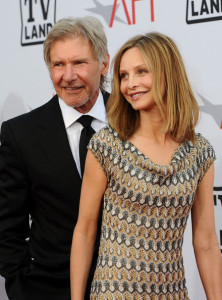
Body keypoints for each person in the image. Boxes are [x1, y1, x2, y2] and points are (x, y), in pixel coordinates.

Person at [70, 32, 222, 299]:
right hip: (113, 292)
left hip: (172, 292)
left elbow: (207, 241)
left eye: (142, 71)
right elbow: (84, 229)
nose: (131, 84)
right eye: (124, 76)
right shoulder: (107, 145)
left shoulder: (199, 152)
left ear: (168, 73)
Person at [0, 16, 110, 300]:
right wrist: (21, 284)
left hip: (128, 287)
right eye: (58, 64)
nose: (68, 75)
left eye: (79, 63)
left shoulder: (135, 121)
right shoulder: (20, 133)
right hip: (49, 289)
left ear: (104, 63)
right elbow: (8, 225)